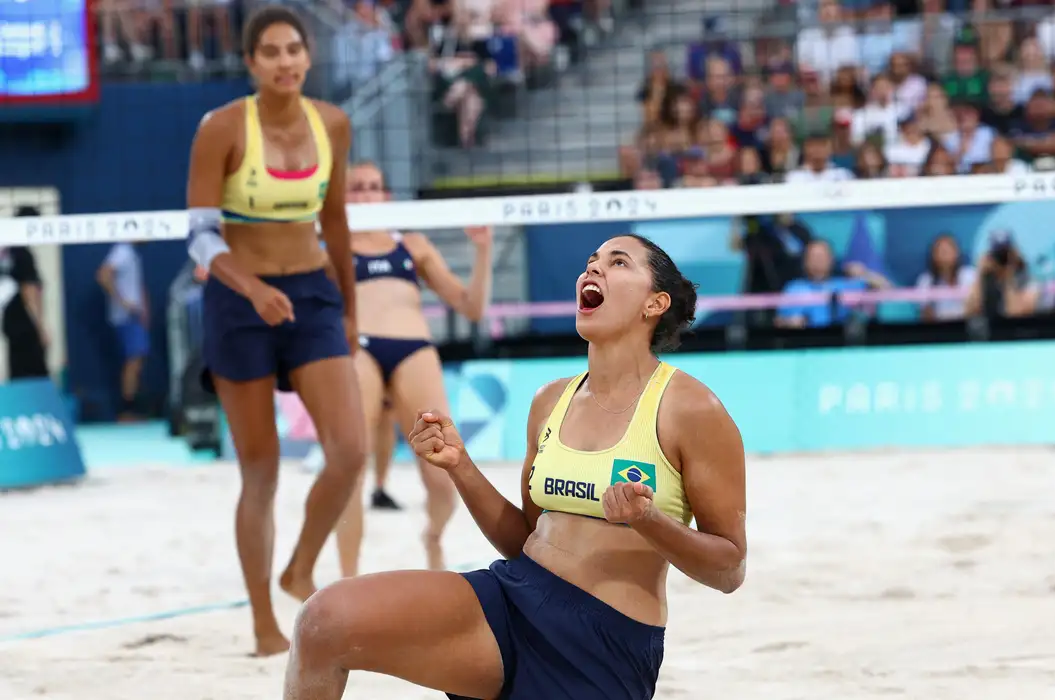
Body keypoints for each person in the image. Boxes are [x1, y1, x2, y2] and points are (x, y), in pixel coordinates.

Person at [283, 234, 748, 700]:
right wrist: (459, 466)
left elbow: (728, 571)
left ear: (655, 303)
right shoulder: (550, 401)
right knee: (323, 622)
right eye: (590, 262)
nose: (593, 270)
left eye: (618, 262)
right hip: (512, 600)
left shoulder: (691, 408)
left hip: (603, 644)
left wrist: (649, 522)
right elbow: (522, 540)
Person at [184, 5, 366, 657]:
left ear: (308, 56)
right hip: (239, 300)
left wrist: (349, 307)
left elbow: (338, 222)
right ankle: (264, 621)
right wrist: (251, 287)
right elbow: (200, 237)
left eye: (294, 49)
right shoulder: (223, 128)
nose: (286, 60)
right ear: (250, 62)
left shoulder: (333, 123)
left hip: (312, 295)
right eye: (271, 51)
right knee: (259, 470)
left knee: (350, 452)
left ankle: (299, 568)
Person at [334, 161, 493, 576]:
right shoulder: (330, 245)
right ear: (343, 196)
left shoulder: (413, 244)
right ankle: (348, 578)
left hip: (413, 349)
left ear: (386, 196)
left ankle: (434, 536)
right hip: (358, 348)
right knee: (351, 466)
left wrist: (482, 249)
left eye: (373, 187)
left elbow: (472, 307)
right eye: (357, 188)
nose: (366, 194)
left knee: (444, 470)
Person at [96, 241, 149, 420]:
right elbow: (103, 275)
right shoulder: (122, 251)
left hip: (133, 316)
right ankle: (126, 411)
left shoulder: (132, 253)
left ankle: (131, 407)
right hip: (126, 316)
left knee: (136, 360)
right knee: (133, 361)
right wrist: (123, 302)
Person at [2, 206, 50, 380]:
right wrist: (40, 328)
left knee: (18, 369)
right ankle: (36, 406)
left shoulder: (8, 251)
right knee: (34, 371)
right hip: (22, 319)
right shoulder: (22, 253)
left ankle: (21, 406)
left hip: (10, 320)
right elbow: (28, 290)